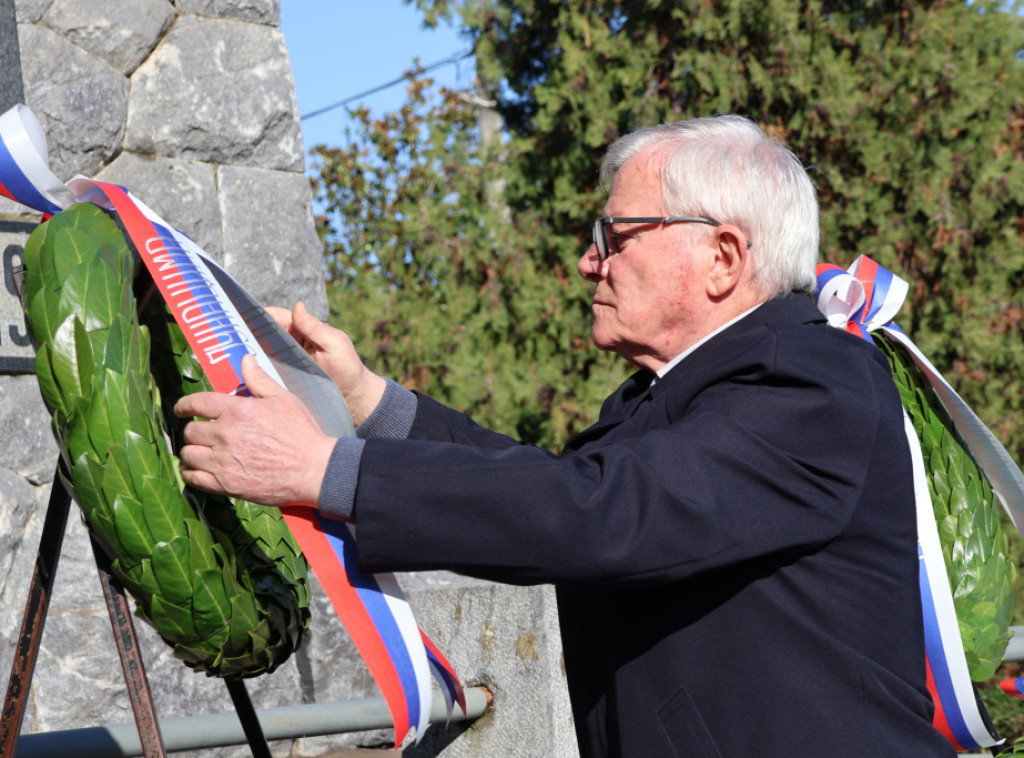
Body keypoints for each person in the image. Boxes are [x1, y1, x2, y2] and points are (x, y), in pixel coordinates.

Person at [174, 115, 954, 757]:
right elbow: (559, 484)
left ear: (721, 257)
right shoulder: (680, 391)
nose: (590, 262)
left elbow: (605, 514)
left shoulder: (811, 379)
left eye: (617, 236)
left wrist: (327, 470)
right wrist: (370, 403)